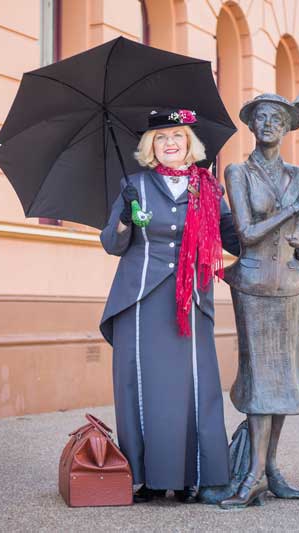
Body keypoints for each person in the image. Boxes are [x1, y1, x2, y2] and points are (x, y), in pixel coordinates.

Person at [99, 109, 240, 503]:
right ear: (150, 147)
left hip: (192, 298)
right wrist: (126, 216)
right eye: (161, 138)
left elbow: (233, 237)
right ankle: (146, 477)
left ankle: (196, 476)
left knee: (196, 386)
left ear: (190, 143)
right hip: (140, 299)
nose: (170, 144)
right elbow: (113, 244)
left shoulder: (208, 189)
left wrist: (276, 233)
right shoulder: (136, 186)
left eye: (177, 136)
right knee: (142, 389)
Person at [219, 94, 299, 509]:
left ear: (287, 128)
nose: (268, 123)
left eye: (277, 118)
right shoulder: (238, 171)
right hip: (252, 285)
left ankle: (269, 470)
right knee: (257, 379)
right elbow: (247, 233)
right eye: (261, 117)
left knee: (283, 380)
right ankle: (251, 475)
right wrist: (289, 208)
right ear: (252, 126)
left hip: (289, 284)